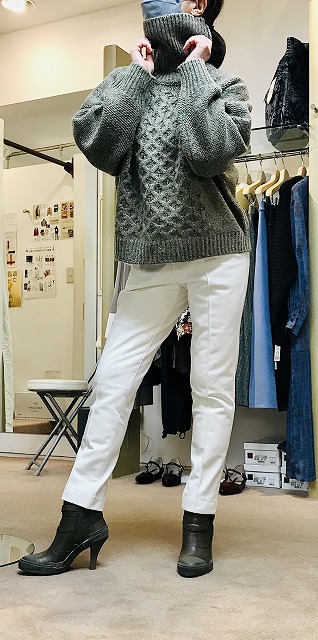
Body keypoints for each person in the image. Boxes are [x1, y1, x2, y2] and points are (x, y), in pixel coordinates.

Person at [18, 0, 252, 579]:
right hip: (149, 260)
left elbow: (209, 151)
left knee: (211, 389)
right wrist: (134, 77)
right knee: (113, 383)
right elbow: (98, 145)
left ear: (199, 6)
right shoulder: (132, 81)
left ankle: (198, 521)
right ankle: (79, 518)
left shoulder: (224, 84)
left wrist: (195, 69)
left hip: (217, 255)